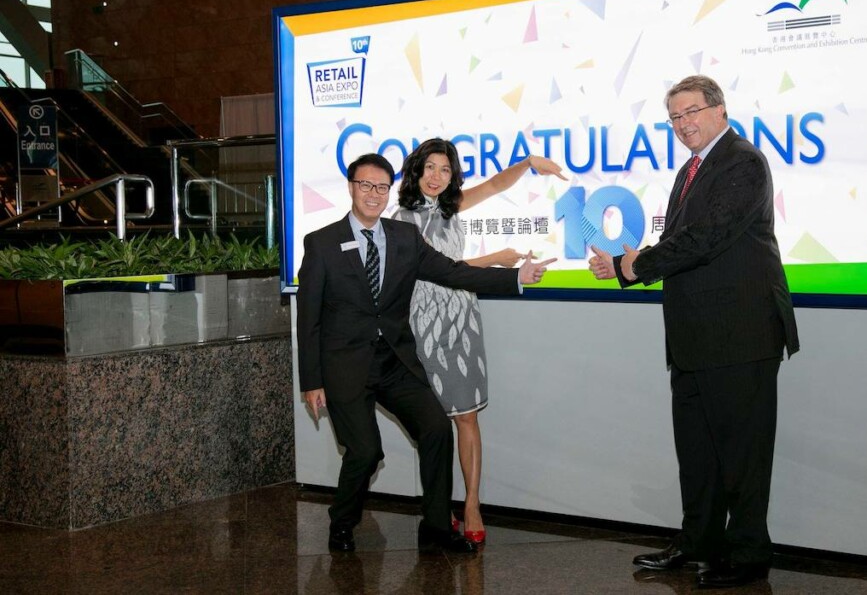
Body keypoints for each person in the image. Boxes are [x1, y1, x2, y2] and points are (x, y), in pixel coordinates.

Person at [589, 75, 799, 588]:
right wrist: (627, 263)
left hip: (739, 335)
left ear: (720, 109)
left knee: (742, 457)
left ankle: (749, 555)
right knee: (699, 454)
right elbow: (683, 242)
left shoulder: (742, 162)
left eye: (692, 112)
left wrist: (631, 268)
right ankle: (699, 540)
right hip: (693, 339)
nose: (684, 124)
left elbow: (707, 238)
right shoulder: (691, 169)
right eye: (675, 118)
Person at [297, 152, 553, 554]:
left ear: (387, 191)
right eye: (366, 185)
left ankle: (436, 529)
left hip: (395, 361)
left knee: (436, 429)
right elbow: (308, 317)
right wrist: (311, 381)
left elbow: (453, 272)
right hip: (346, 367)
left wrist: (514, 277)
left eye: (381, 187)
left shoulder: (403, 238)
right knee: (366, 452)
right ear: (351, 188)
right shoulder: (322, 243)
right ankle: (342, 522)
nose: (374, 194)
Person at [392, 138, 567, 544]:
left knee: (467, 417)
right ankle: (437, 507)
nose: (436, 177)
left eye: (445, 170)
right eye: (429, 168)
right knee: (431, 424)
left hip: (460, 320)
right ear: (416, 171)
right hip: (421, 324)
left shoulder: (453, 208)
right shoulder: (400, 219)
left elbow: (494, 186)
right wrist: (496, 259)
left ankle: (471, 503)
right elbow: (437, 269)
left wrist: (526, 162)